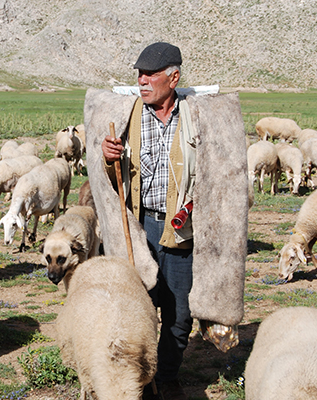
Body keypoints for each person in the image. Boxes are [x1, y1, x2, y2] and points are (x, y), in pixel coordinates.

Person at [101, 41, 193, 400]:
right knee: (138, 305)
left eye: (150, 74)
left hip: (182, 229)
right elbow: (112, 179)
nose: (141, 80)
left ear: (173, 77)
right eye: (139, 74)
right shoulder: (129, 114)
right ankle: (137, 378)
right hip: (140, 227)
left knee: (179, 313)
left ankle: (166, 377)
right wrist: (110, 159)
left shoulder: (193, 116)